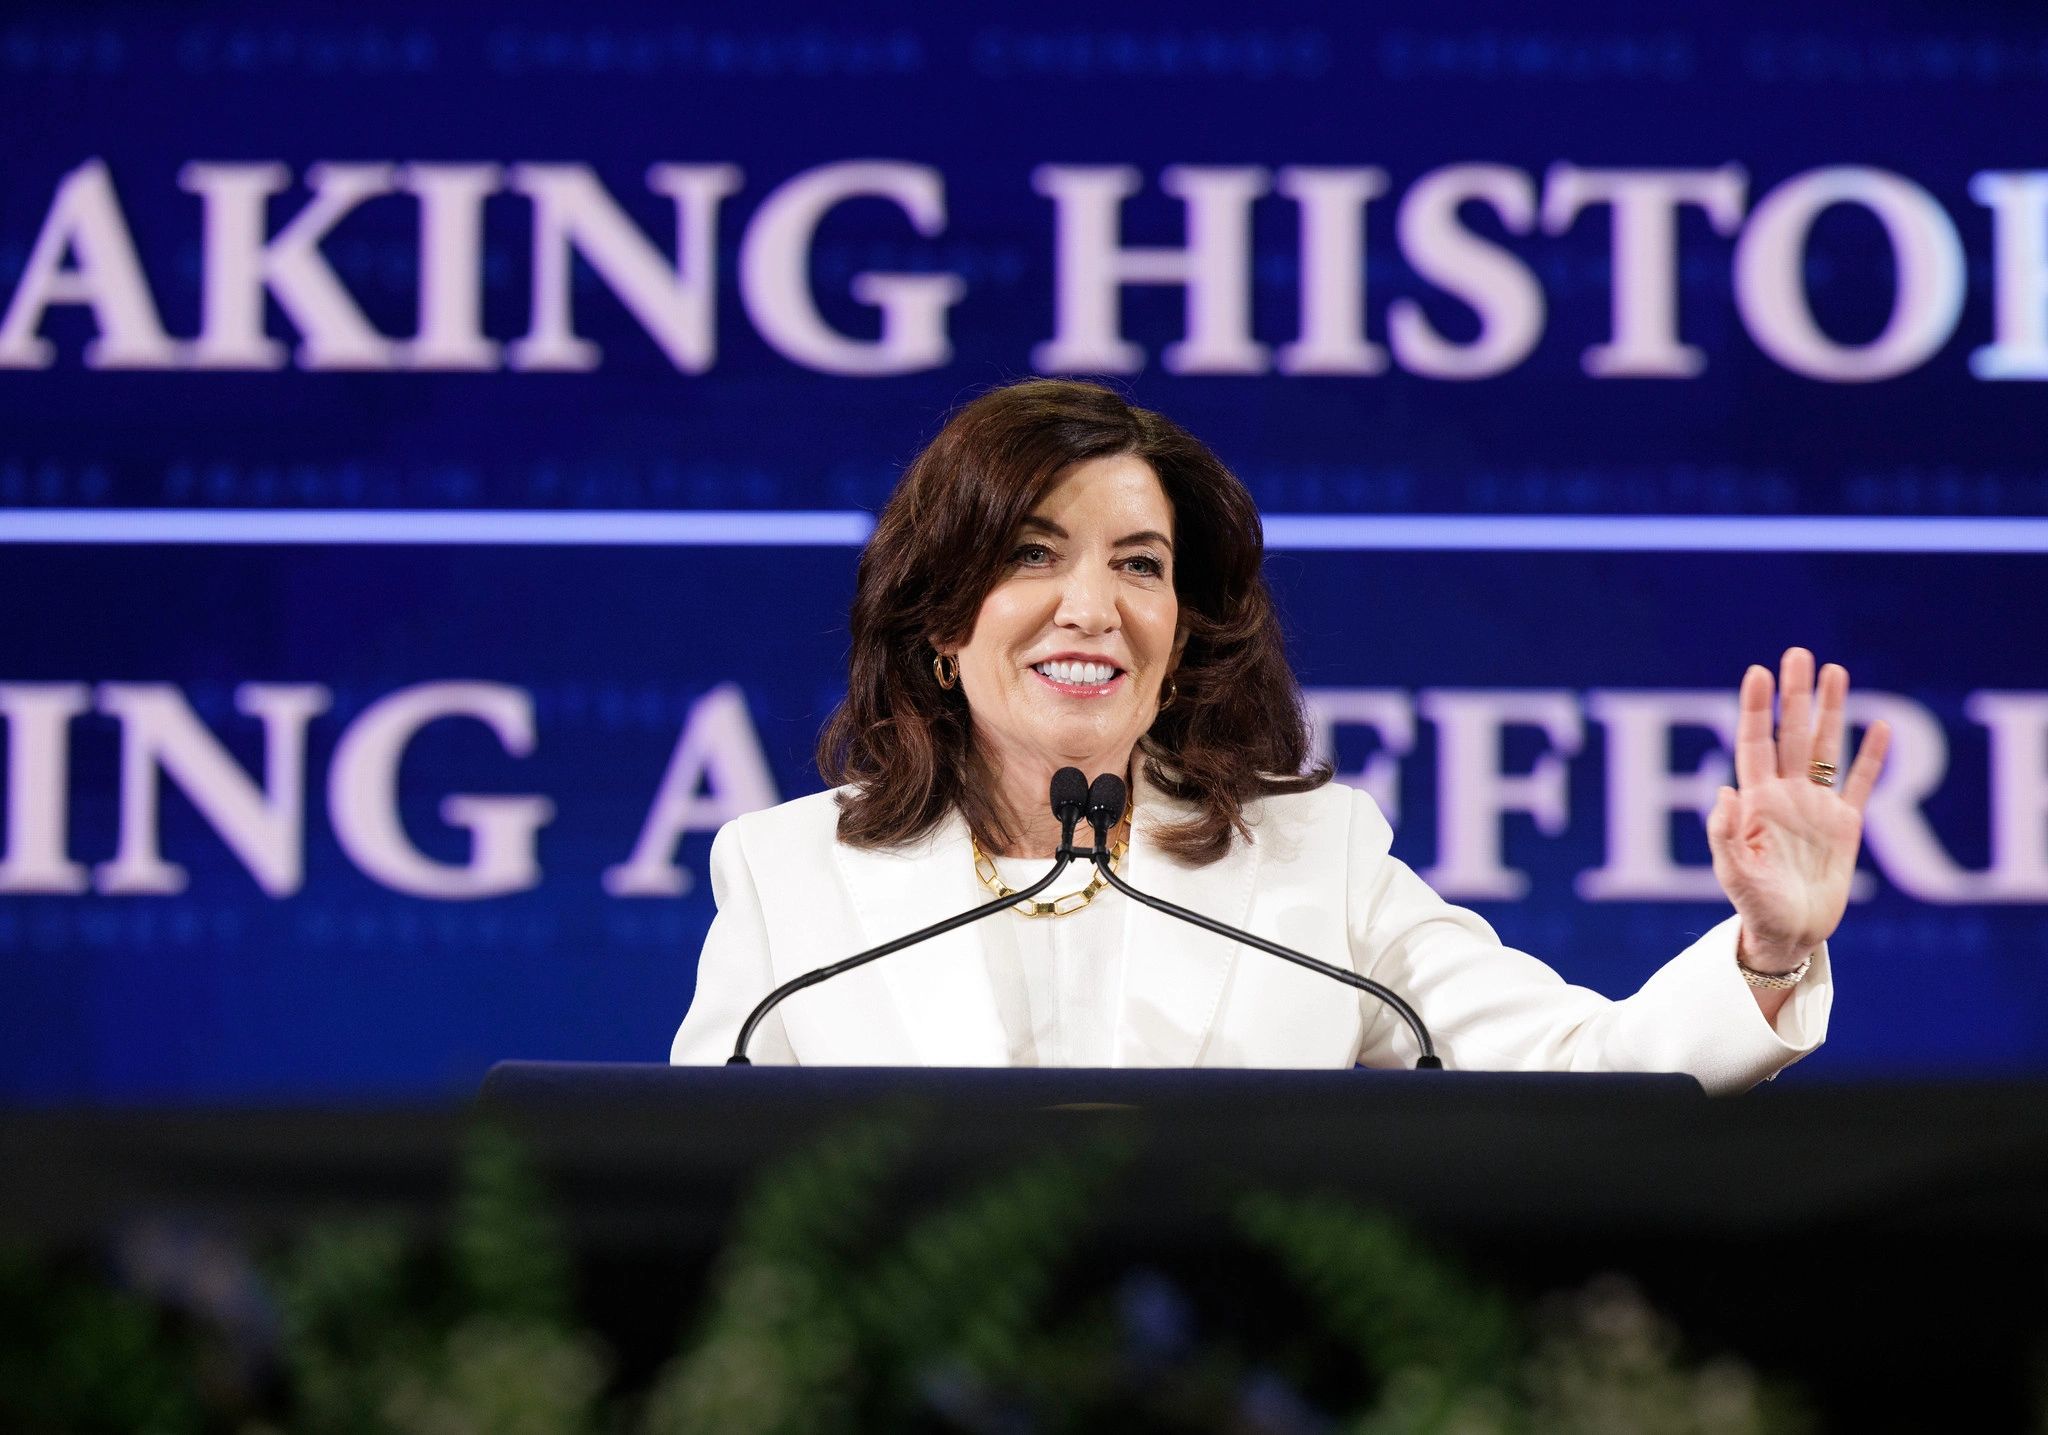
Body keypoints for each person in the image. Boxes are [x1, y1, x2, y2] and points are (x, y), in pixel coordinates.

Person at [670, 379, 1889, 1091]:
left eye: (1137, 565)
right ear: (940, 620)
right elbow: (688, 1195)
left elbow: (1586, 1070)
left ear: (1183, 629)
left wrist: (1768, 948)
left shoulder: (1316, 861)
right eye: (1031, 553)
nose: (1089, 607)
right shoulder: (790, 877)